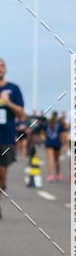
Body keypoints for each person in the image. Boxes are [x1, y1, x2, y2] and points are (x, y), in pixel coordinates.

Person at [0, 58, 25, 217]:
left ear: (5, 69)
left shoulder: (13, 88)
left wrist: (9, 103)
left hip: (6, 138)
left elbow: (21, 113)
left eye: (2, 66)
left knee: (1, 173)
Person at [44, 111, 66, 180]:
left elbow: (44, 132)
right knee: (57, 160)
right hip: (57, 143)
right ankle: (58, 174)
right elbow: (62, 135)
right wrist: (64, 144)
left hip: (49, 142)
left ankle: (51, 175)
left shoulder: (47, 123)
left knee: (50, 159)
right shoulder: (60, 124)